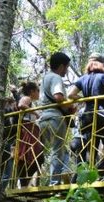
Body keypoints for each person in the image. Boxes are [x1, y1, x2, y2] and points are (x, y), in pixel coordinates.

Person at [68, 53, 104, 180]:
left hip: (87, 116)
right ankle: (100, 172)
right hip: (103, 115)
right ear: (102, 64)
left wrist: (84, 99)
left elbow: (70, 94)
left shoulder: (83, 79)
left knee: (91, 147)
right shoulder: (103, 76)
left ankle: (88, 176)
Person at [38, 52, 73, 185]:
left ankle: (52, 180)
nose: (67, 70)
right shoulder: (56, 77)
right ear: (61, 66)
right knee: (58, 151)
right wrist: (70, 105)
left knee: (54, 151)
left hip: (43, 117)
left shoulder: (45, 78)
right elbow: (58, 97)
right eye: (67, 67)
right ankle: (54, 183)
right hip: (55, 117)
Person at [15, 81, 44, 187]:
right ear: (32, 92)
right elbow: (21, 104)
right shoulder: (27, 98)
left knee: (35, 157)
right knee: (28, 156)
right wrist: (35, 112)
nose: (39, 93)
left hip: (32, 130)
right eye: (38, 91)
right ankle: (22, 182)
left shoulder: (31, 100)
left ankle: (24, 182)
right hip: (27, 129)